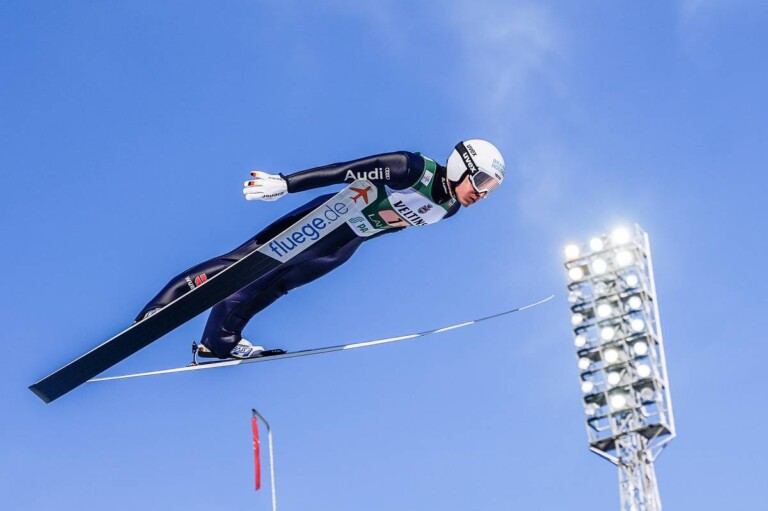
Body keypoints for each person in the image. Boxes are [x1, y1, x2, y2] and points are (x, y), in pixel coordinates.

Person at [136, 139, 506, 359]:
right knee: (248, 263)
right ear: (462, 165)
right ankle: (160, 307)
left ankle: (219, 342)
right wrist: (285, 184)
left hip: (346, 243)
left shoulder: (450, 208)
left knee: (277, 285)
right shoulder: (411, 169)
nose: (482, 193)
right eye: (482, 181)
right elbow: (345, 170)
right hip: (329, 218)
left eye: (491, 189)